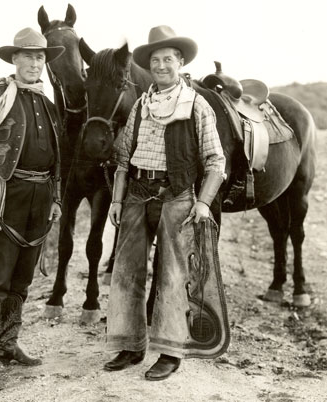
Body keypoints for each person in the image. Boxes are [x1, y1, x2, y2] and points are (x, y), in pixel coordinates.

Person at [105, 25, 226, 381]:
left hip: (177, 197)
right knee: (126, 271)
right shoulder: (142, 106)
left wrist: (203, 203)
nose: (161, 66)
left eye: (168, 59)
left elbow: (216, 162)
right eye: (155, 60)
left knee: (173, 275)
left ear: (180, 62)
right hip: (137, 195)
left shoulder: (198, 105)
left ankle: (170, 352)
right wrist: (116, 199)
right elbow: (124, 157)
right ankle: (130, 345)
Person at [0, 28, 64, 391]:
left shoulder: (48, 105)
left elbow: (58, 160)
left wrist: (56, 199)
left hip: (41, 199)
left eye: (40, 57)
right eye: (28, 56)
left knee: (22, 278)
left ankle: (7, 346)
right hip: (7, 196)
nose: (35, 63)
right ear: (14, 59)